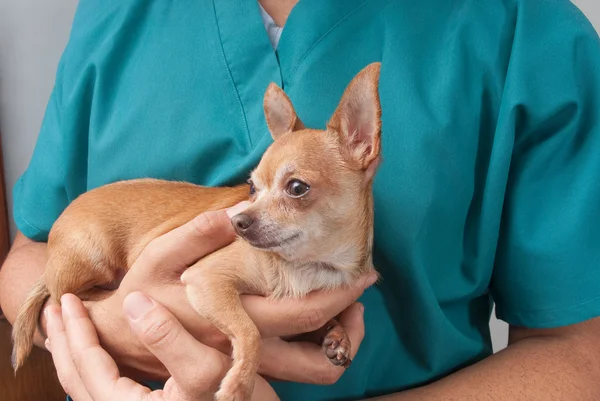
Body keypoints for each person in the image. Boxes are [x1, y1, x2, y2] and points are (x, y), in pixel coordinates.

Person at [1, 0, 600, 400]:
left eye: (295, 189)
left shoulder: (522, 29)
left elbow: (579, 352)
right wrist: (117, 328)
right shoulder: (114, 12)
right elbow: (31, 249)